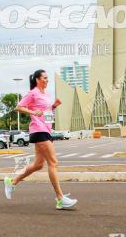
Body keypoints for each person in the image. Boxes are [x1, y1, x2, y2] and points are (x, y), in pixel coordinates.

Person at [4, 70, 77, 210]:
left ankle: (12, 182)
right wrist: (32, 112)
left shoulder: (47, 95)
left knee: (38, 165)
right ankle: (60, 199)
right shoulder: (33, 93)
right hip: (39, 130)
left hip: (46, 130)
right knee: (53, 162)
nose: (47, 80)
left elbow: (46, 113)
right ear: (37, 80)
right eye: (45, 78)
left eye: (47, 78)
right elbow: (18, 107)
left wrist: (53, 106)